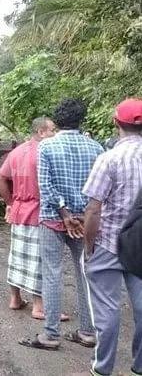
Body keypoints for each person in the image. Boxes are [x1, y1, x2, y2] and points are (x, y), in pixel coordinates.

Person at [19, 98, 102, 351]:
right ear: (81, 119)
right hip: (85, 221)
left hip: (53, 219)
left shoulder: (46, 146)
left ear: (56, 121)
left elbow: (46, 186)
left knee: (52, 274)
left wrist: (64, 213)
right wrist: (81, 215)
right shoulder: (96, 148)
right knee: (85, 273)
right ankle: (88, 331)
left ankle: (51, 334)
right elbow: (99, 190)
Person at [82, 98, 142, 375]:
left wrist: (89, 247)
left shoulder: (109, 159)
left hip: (107, 243)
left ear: (116, 123)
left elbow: (93, 210)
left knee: (107, 310)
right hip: (139, 245)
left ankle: (102, 368)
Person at [0, 117, 56, 319]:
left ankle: (15, 298)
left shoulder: (17, 152)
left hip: (19, 210)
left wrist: (10, 203)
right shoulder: (45, 152)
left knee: (17, 256)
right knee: (39, 258)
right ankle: (39, 306)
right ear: (41, 132)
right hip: (39, 210)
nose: (54, 134)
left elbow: (0, 178)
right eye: (52, 130)